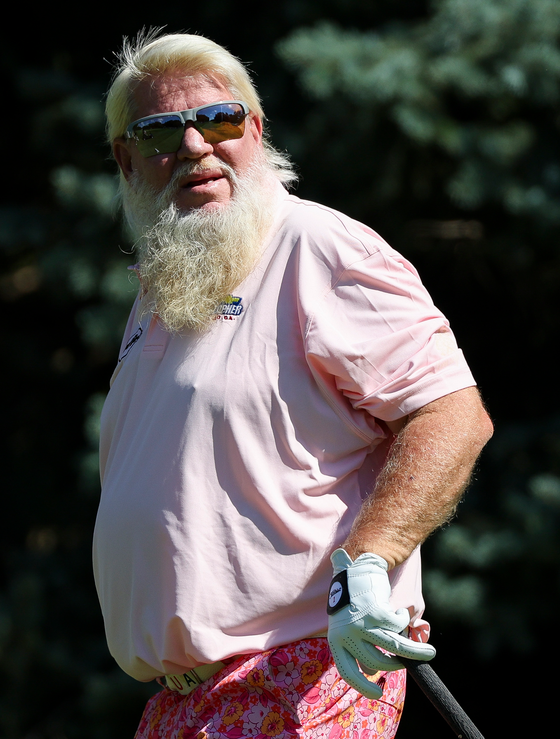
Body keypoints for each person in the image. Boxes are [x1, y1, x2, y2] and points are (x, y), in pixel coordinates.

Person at [93, 30, 493, 739]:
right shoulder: (166, 286)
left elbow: (451, 413)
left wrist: (368, 564)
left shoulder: (318, 246)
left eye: (218, 120)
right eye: (160, 132)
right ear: (126, 159)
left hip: (302, 679)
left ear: (256, 129)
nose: (194, 146)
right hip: (185, 701)